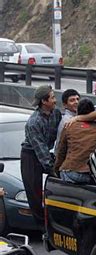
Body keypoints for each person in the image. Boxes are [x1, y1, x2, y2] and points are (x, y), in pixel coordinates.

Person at [20, 85, 62, 228]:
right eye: (52, 97)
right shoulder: (34, 122)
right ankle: (41, 227)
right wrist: (52, 168)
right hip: (30, 156)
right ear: (44, 101)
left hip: (47, 152)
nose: (55, 100)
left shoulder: (56, 113)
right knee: (35, 193)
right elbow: (41, 151)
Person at [54, 99, 96, 184]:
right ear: (93, 112)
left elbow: (61, 151)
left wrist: (56, 170)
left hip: (71, 172)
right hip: (91, 175)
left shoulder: (69, 125)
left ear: (78, 111)